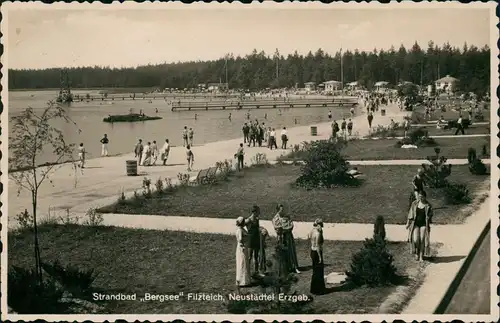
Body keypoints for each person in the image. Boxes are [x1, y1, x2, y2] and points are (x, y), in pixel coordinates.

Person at [272, 204, 300, 274]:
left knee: (291, 251)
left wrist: (286, 229)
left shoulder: (287, 217)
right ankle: (284, 268)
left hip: (288, 237)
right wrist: (285, 229)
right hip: (281, 237)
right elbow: (277, 229)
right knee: (282, 252)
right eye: (281, 210)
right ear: (278, 210)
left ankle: (294, 267)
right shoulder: (276, 218)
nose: (283, 211)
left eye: (283, 209)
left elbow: (291, 225)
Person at [406, 191, 433, 261]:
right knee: (415, 240)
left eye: (422, 196)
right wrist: (408, 223)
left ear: (425, 197)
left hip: (424, 224)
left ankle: (421, 255)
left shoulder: (428, 205)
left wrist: (429, 217)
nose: (420, 198)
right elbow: (410, 214)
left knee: (422, 239)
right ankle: (417, 251)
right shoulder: (414, 203)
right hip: (416, 224)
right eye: (419, 196)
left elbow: (431, 214)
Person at [309, 218, 325, 295]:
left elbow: (309, 237)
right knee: (319, 272)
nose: (321, 227)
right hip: (317, 252)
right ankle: (319, 290)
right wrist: (320, 257)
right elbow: (318, 246)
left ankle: (313, 289)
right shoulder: (318, 234)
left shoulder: (312, 231)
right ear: (318, 225)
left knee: (315, 271)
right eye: (321, 225)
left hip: (312, 251)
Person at [235, 216, 251, 287]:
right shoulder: (240, 230)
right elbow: (240, 239)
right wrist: (244, 240)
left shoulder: (239, 229)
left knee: (241, 263)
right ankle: (243, 281)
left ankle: (240, 280)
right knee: (243, 263)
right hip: (242, 248)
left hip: (241, 248)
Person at [246, 205, 262, 275]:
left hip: (256, 239)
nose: (259, 213)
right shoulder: (249, 220)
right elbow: (240, 225)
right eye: (258, 212)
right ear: (254, 212)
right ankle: (247, 271)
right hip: (250, 240)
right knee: (249, 257)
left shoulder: (257, 219)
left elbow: (258, 229)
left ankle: (256, 271)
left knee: (256, 256)